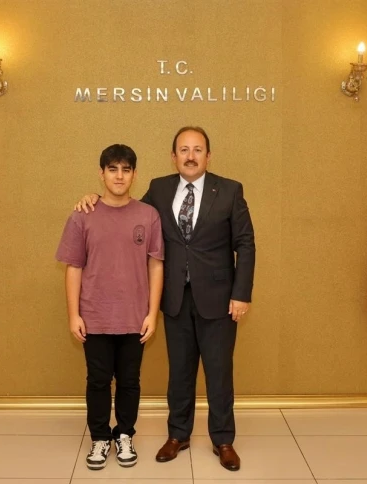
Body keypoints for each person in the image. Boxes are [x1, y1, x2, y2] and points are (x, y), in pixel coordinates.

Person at [75, 127, 255, 471]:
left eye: (197, 149)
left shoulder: (230, 190)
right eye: (184, 150)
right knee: (180, 372)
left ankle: (223, 440)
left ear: (208, 155)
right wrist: (94, 199)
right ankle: (178, 435)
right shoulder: (159, 189)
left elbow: (245, 243)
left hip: (219, 300)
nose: (191, 156)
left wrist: (241, 293)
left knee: (219, 372)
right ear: (173, 156)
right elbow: (125, 208)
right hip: (174, 299)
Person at [56, 144, 164, 470]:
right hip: (95, 316)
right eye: (113, 169)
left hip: (135, 317)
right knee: (98, 381)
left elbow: (156, 265)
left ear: (134, 175)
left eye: (126, 170)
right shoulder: (82, 215)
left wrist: (152, 313)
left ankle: (125, 434)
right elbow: (74, 267)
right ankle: (100, 438)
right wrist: (73, 315)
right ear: (101, 173)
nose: (119, 176)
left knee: (130, 381)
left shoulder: (148, 215)